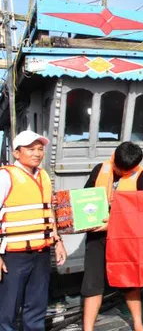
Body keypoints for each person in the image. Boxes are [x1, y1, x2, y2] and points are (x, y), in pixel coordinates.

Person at [0, 130, 67, 330]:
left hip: (41, 253)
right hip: (13, 255)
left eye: (40, 149)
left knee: (36, 307)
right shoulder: (5, 176)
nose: (37, 153)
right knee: (7, 310)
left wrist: (58, 241)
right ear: (17, 153)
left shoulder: (44, 176)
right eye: (31, 149)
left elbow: (49, 212)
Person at [81, 141, 143, 331]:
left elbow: (142, 217)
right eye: (117, 168)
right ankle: (88, 328)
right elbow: (85, 198)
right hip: (96, 237)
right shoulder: (99, 170)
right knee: (93, 282)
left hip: (125, 239)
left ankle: (138, 324)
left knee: (130, 280)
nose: (119, 172)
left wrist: (113, 224)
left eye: (124, 171)